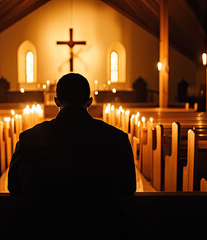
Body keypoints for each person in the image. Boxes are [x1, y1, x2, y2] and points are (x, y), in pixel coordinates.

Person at [8, 73, 136, 239]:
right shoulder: (117, 138)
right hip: (103, 230)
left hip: (42, 230)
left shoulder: (28, 139)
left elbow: (14, 188)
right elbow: (128, 189)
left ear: (56, 101)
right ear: (89, 101)